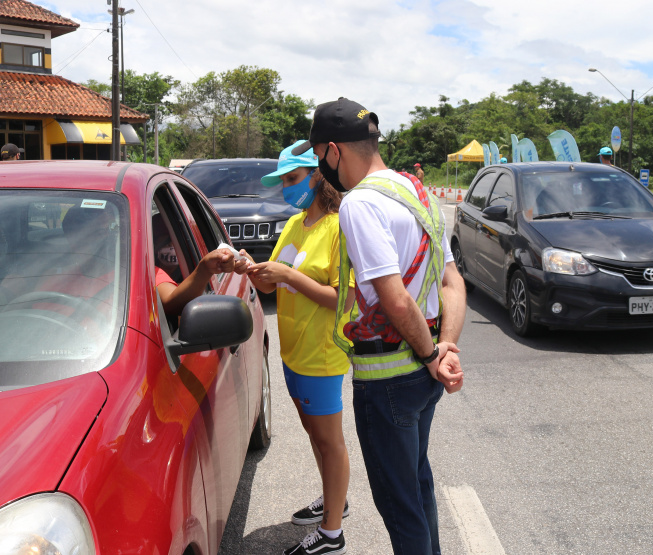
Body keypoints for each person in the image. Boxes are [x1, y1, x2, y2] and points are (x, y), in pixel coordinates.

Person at [293, 97, 466, 555]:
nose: (320, 168)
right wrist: (444, 349)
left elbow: (394, 298)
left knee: (399, 503)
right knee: (418, 483)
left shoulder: (360, 204)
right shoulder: (420, 193)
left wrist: (433, 355)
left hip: (387, 378)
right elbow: (452, 283)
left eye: (317, 157)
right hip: (423, 375)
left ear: (333, 150)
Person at [236, 141, 353, 555]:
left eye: (292, 179)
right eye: (282, 181)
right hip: (293, 351)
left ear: (317, 175)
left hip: (321, 353)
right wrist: (253, 269)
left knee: (329, 441)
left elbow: (345, 297)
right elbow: (273, 282)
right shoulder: (294, 223)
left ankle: (332, 534)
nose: (286, 188)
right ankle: (333, 498)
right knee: (314, 434)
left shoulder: (339, 226)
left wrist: (286, 273)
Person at [152, 213, 242, 316]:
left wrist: (205, 269)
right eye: (166, 240)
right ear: (153, 244)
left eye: (174, 240)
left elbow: (172, 303)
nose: (171, 246)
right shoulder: (150, 271)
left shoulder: (192, 263)